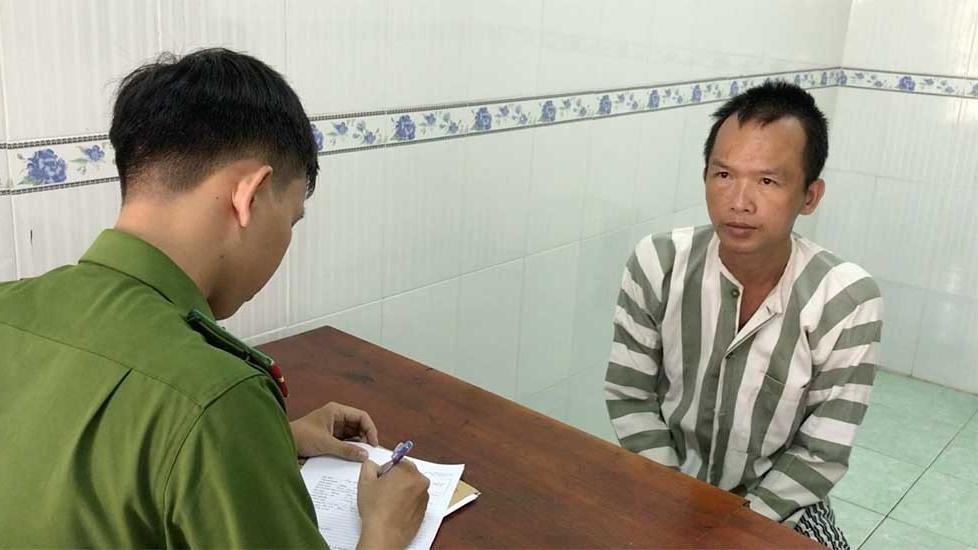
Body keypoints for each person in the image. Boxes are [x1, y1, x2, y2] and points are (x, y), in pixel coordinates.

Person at [0, 48, 429, 548]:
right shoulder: (217, 396)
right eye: (291, 220)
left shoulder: (11, 306)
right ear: (250, 196)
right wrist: (384, 529)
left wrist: (268, 442)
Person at [604, 81, 882, 549]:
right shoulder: (658, 263)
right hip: (663, 481)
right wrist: (672, 502)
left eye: (767, 181)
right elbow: (630, 395)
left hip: (781, 508)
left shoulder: (846, 300)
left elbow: (820, 451)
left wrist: (730, 532)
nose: (739, 201)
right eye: (724, 174)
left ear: (810, 196)